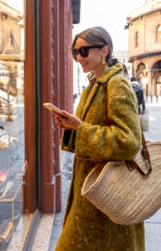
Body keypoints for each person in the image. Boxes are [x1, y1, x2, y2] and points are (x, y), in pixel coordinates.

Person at [52, 26, 144, 251]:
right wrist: (70, 126)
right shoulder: (92, 85)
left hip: (108, 194)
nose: (79, 58)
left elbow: (129, 140)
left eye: (83, 51)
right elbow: (88, 128)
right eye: (75, 53)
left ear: (104, 50)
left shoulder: (116, 84)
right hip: (91, 193)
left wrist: (80, 129)